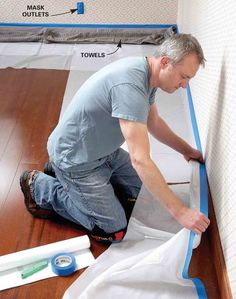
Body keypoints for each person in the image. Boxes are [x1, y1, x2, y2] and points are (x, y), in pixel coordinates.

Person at [20, 33, 210, 243]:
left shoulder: (147, 75)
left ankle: (60, 172)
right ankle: (39, 185)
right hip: (76, 159)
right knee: (113, 231)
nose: (184, 85)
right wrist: (181, 212)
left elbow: (153, 122)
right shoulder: (130, 86)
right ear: (165, 62)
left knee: (141, 200)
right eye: (184, 77)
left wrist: (187, 151)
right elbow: (139, 159)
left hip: (103, 152)